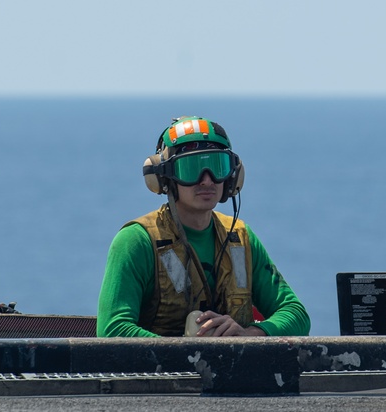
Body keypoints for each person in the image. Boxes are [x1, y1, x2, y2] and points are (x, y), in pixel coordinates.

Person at [97, 116, 310, 338]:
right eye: (191, 168)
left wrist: (250, 335)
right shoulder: (136, 241)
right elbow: (112, 330)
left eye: (217, 167)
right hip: (160, 373)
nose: (207, 181)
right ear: (164, 177)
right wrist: (187, 354)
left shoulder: (241, 238)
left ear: (233, 176)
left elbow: (296, 314)